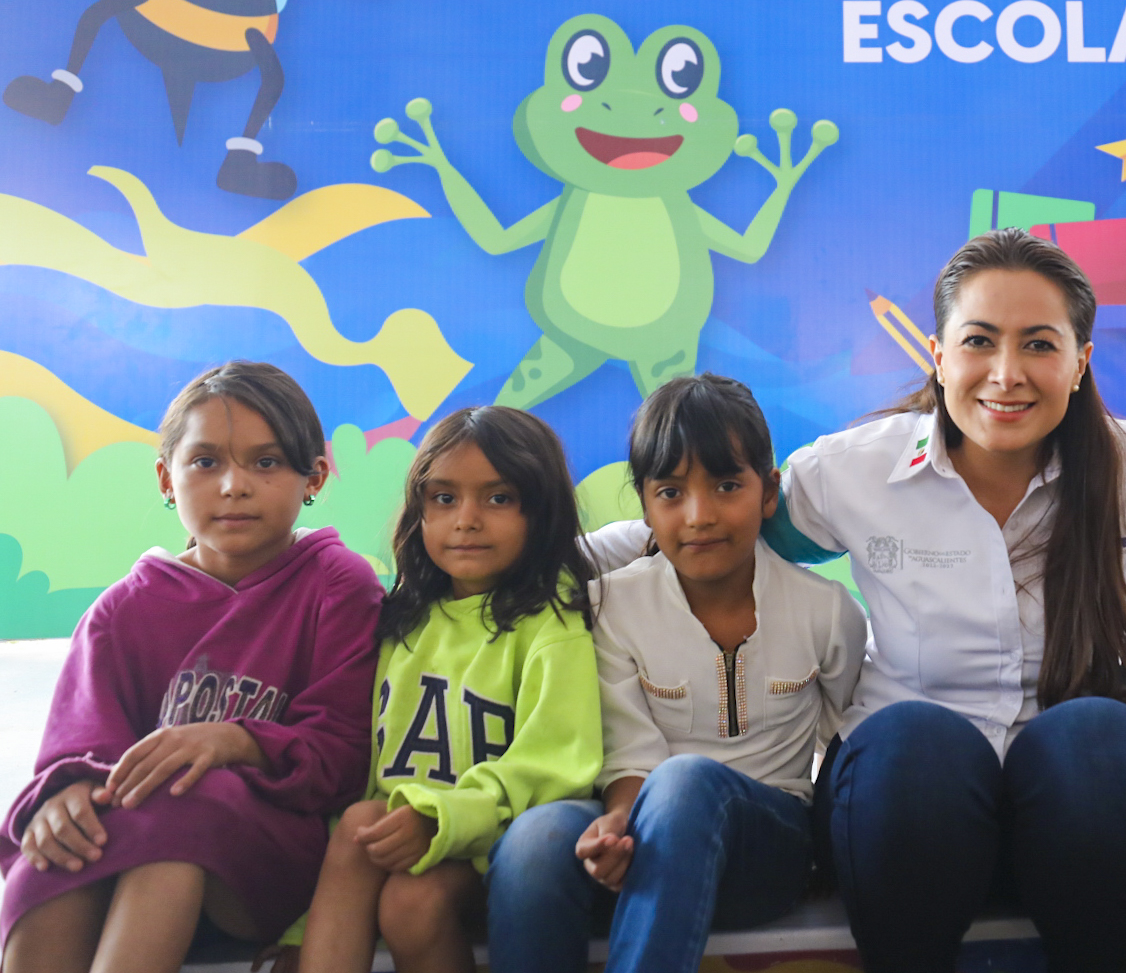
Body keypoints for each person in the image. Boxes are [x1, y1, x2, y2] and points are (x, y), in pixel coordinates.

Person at [588, 228, 1126, 973]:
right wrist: (548, 565)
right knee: (915, 735)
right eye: (979, 341)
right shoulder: (854, 471)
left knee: (1101, 729)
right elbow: (714, 522)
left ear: (1082, 359)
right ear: (938, 354)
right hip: (901, 813)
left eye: (1040, 344)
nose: (1007, 373)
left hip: (1074, 818)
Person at [0, 361, 382, 972]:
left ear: (313, 477)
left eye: (266, 462)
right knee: (49, 853)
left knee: (182, 802)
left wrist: (233, 741)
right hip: (143, 847)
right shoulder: (121, 611)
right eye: (205, 462)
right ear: (165, 479)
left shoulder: (337, 584)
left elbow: (345, 754)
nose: (234, 485)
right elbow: (79, 752)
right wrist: (63, 795)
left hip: (274, 867)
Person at [485, 374, 867, 973]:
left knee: (689, 781)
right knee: (536, 841)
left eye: (726, 485)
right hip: (637, 825)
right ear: (643, 502)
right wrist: (615, 829)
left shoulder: (828, 611)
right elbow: (629, 751)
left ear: (768, 493)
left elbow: (845, 739)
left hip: (768, 848)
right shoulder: (610, 604)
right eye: (670, 492)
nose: (700, 515)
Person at [295, 407, 601, 973]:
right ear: (419, 512)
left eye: (498, 498)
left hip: (502, 846)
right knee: (373, 838)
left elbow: (557, 765)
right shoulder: (403, 619)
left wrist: (441, 818)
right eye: (443, 499)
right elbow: (368, 770)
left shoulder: (551, 621)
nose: (467, 520)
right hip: (403, 845)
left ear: (543, 509)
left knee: (405, 890)